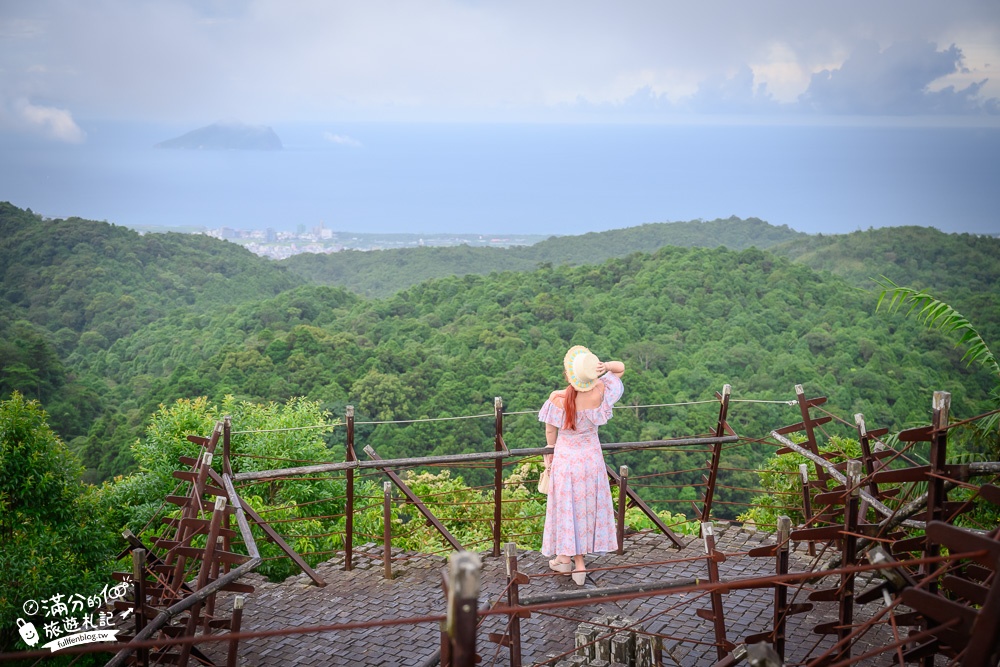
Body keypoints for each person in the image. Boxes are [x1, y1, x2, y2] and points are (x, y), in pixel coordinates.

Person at [539, 345, 625, 585]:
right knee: (586, 508)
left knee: (569, 510)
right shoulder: (601, 391)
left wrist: (549, 449)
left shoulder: (558, 398)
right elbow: (621, 369)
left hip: (567, 461)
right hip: (591, 460)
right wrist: (604, 367)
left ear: (569, 375)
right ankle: (569, 560)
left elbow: (550, 430)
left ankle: (574, 562)